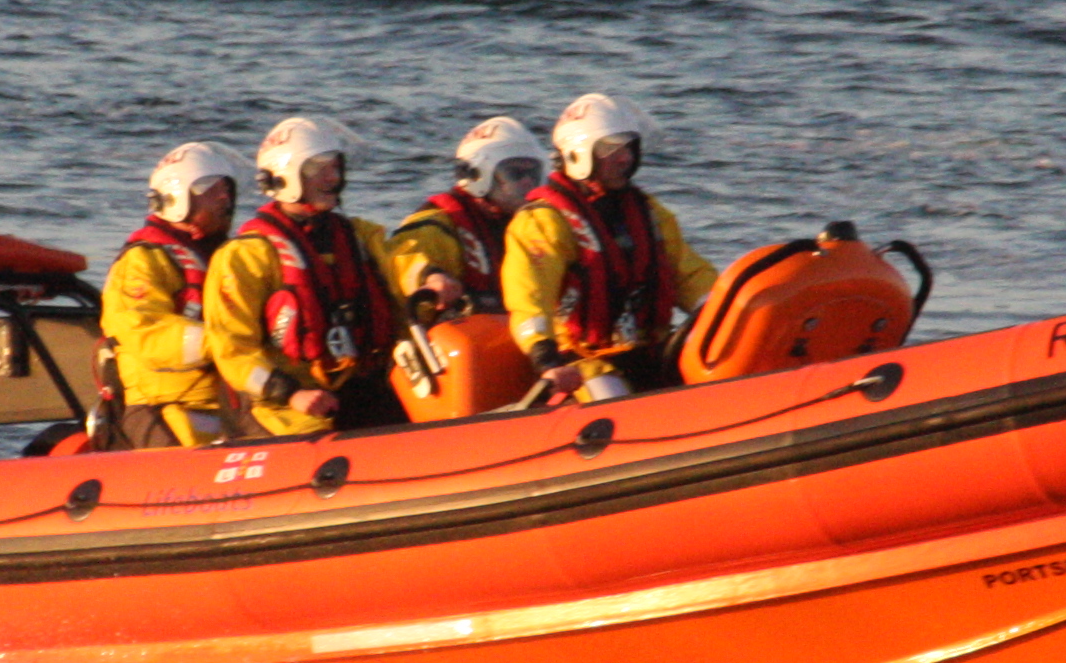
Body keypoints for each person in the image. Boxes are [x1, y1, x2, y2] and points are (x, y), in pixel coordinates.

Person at [206, 116, 449, 439]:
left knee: (415, 429)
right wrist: (291, 393)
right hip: (281, 401)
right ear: (286, 176)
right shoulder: (245, 257)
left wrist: (429, 276)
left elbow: (399, 261)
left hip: (356, 384)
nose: (333, 178)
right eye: (319, 169)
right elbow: (233, 350)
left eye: (335, 167)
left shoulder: (357, 236)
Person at [503, 92, 720, 403]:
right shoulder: (543, 222)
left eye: (629, 147)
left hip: (651, 350)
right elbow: (529, 300)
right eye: (611, 149)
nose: (625, 158)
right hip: (585, 363)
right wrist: (545, 359)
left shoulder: (649, 213)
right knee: (612, 400)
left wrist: (726, 309)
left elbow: (689, 274)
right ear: (578, 154)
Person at [100, 140, 253, 448]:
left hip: (230, 397)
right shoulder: (143, 262)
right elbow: (146, 333)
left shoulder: (232, 257)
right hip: (162, 403)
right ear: (177, 198)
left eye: (227, 188)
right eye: (210, 189)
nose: (224, 197)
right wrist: (224, 341)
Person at [386, 116, 542, 316]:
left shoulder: (535, 226)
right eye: (515, 174)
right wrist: (432, 278)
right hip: (457, 337)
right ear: (478, 176)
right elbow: (403, 259)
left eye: (533, 174)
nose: (527, 183)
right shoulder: (436, 226)